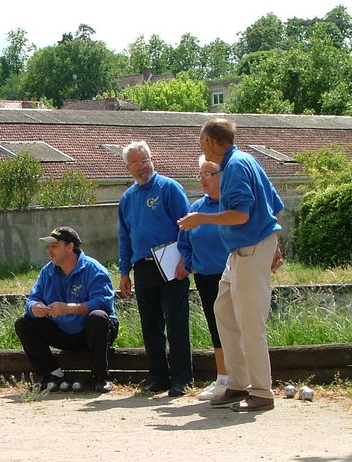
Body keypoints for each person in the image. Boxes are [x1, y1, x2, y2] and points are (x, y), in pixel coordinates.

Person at [179, 118, 284, 413]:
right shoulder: (244, 159)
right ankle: (237, 383)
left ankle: (262, 391)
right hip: (242, 250)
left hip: (250, 248)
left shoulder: (236, 166)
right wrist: (276, 241)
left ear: (212, 142)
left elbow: (241, 215)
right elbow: (274, 203)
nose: (200, 146)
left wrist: (201, 218)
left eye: (202, 140)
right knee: (223, 310)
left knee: (250, 321)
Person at [118, 140, 192, 397]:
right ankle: (158, 376)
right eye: (135, 163)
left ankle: (182, 378)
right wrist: (124, 271)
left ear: (152, 159)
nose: (141, 166)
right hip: (143, 265)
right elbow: (125, 236)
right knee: (150, 325)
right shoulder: (127, 199)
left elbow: (186, 225)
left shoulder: (169, 188)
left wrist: (185, 257)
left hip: (172, 261)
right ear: (127, 167)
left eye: (144, 160)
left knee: (176, 321)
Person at [15, 226, 119, 393]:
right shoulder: (47, 271)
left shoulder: (94, 269)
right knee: (24, 323)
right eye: (48, 246)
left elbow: (103, 303)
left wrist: (71, 308)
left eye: (54, 245)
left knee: (98, 317)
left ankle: (100, 377)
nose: (49, 250)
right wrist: (34, 308)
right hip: (62, 332)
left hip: (91, 332)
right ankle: (52, 374)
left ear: (70, 247)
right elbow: (32, 299)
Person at [176, 156, 230, 400]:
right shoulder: (196, 207)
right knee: (215, 326)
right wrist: (191, 265)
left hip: (233, 275)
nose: (202, 180)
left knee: (239, 326)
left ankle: (246, 378)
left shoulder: (232, 205)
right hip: (206, 276)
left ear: (222, 175)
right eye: (200, 175)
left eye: (207, 174)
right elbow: (184, 242)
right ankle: (223, 378)